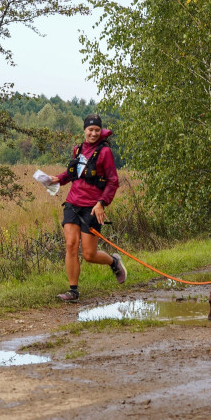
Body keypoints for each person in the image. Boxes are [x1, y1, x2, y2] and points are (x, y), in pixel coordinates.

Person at [47, 113, 127, 301]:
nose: (93, 133)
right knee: (71, 245)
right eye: (90, 130)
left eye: (97, 130)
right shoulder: (78, 149)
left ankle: (114, 261)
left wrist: (101, 203)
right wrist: (57, 179)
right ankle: (73, 291)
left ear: (100, 131)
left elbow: (113, 182)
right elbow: (73, 173)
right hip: (72, 203)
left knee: (89, 254)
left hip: (92, 207)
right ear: (84, 130)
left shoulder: (105, 152)